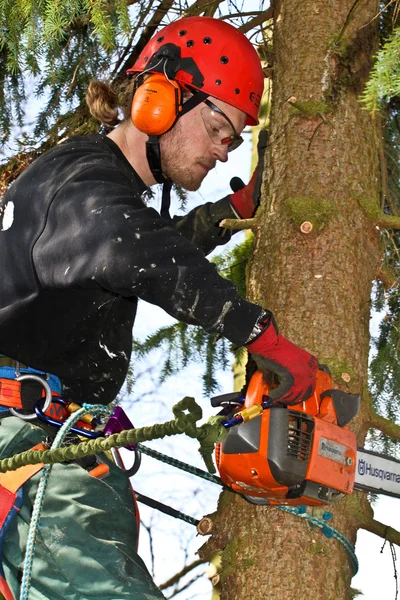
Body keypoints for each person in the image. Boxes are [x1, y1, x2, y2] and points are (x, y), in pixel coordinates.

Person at [0, 16, 318, 600]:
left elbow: (145, 242)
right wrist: (266, 340)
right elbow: (137, 253)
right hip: (30, 448)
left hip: (46, 444)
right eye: (220, 128)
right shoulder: (85, 185)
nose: (225, 152)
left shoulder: (87, 191)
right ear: (161, 99)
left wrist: (231, 209)